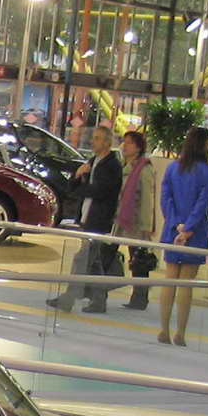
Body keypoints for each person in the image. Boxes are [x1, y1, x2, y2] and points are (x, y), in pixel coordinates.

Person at [47, 125, 123, 314]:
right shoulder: (92, 162)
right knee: (93, 262)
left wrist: (81, 187)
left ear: (107, 142)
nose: (92, 142)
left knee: (82, 259)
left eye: (97, 138)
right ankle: (98, 300)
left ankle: (69, 298)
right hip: (86, 217)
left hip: (99, 220)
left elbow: (100, 191)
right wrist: (78, 175)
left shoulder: (112, 166)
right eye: (93, 138)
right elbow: (72, 187)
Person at [158, 125, 208, 345]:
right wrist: (189, 228)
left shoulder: (173, 168)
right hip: (196, 231)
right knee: (186, 282)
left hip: (172, 230)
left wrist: (176, 225)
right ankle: (180, 333)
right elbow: (202, 202)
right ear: (204, 144)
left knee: (170, 278)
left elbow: (166, 199)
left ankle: (163, 330)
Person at [114, 129, 158, 310]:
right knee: (109, 252)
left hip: (136, 222)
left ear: (139, 147)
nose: (125, 146)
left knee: (138, 259)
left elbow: (147, 199)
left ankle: (140, 297)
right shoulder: (124, 165)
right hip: (121, 219)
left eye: (129, 143)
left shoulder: (144, 168)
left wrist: (147, 226)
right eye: (124, 142)